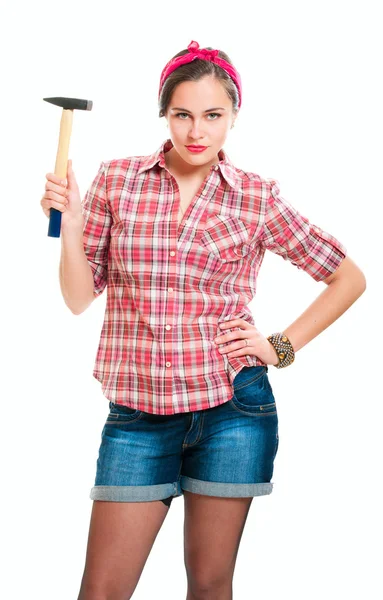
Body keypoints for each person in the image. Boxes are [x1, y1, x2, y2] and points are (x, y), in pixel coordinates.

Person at [41, 40, 366, 600]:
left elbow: (348, 277)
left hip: (232, 411)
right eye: (182, 114)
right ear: (164, 113)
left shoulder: (256, 197)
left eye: (213, 116)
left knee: (211, 586)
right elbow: (77, 297)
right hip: (138, 417)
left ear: (234, 115)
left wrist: (279, 346)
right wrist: (69, 226)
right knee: (101, 592)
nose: (197, 131)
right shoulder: (117, 181)